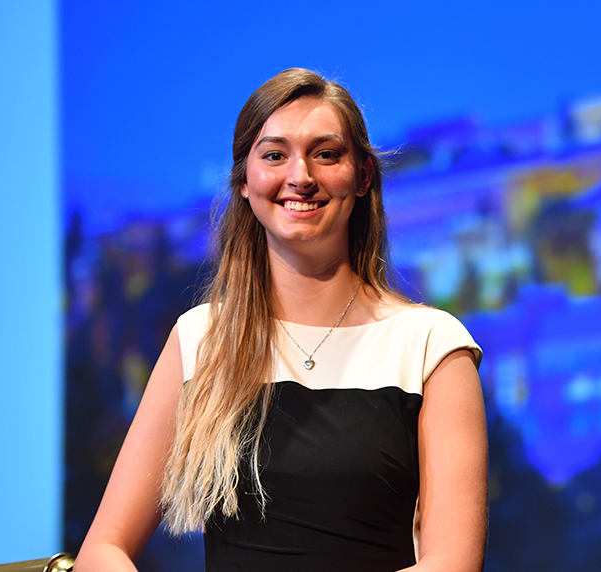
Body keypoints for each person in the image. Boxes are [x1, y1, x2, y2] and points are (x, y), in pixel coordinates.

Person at [74, 68, 488, 572]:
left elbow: (453, 563)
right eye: (274, 155)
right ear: (244, 183)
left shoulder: (431, 345)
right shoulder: (200, 339)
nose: (301, 176)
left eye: (326, 153)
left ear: (362, 177)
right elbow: (103, 549)